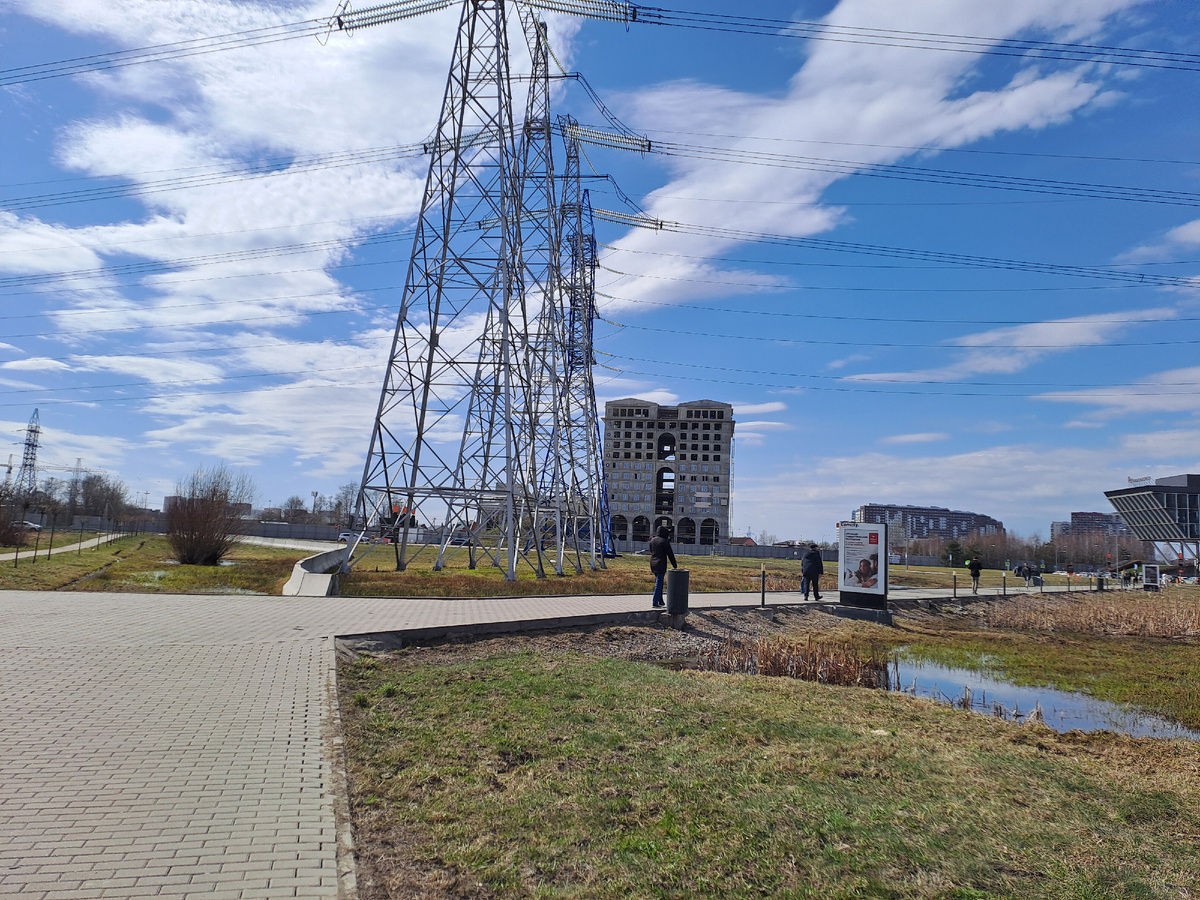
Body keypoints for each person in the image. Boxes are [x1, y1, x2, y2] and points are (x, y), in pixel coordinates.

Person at [648, 525, 677, 609]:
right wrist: (674, 565)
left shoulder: (652, 540)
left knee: (659, 581)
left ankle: (660, 601)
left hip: (653, 563)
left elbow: (651, 551)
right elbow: (670, 554)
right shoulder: (664, 541)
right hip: (661, 563)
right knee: (659, 583)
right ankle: (654, 602)